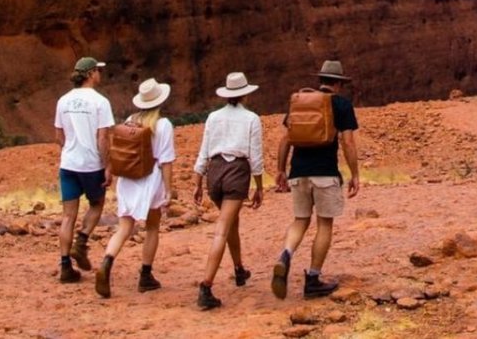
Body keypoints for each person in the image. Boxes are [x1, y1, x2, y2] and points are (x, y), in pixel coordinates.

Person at [271, 60, 360, 300]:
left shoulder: (300, 103)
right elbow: (348, 142)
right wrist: (355, 174)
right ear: (339, 84)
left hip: (298, 172)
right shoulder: (341, 104)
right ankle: (313, 278)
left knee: (300, 220)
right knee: (324, 225)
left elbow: (285, 140)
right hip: (325, 173)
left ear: (321, 80)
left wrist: (280, 170)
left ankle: (286, 254)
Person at [95, 78, 176, 298]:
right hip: (151, 181)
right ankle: (145, 275)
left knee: (124, 227)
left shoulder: (130, 121)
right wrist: (169, 191)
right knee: (152, 227)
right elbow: (166, 160)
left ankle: (106, 261)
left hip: (128, 180)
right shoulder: (162, 124)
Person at [192, 72, 265, 310]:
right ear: (245, 93)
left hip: (214, 173)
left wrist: (197, 181)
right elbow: (255, 155)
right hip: (237, 173)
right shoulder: (252, 118)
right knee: (222, 229)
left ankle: (239, 269)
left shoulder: (213, 117)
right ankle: (206, 286)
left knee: (231, 222)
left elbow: (204, 150)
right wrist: (259, 186)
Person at [55, 56, 114, 283]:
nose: (100, 74)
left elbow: (58, 136)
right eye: (98, 70)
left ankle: (65, 267)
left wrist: (71, 150)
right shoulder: (100, 102)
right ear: (90, 74)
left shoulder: (63, 101)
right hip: (91, 165)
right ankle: (81, 243)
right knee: (97, 204)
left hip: (68, 163)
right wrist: (107, 166)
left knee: (68, 215)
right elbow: (103, 138)